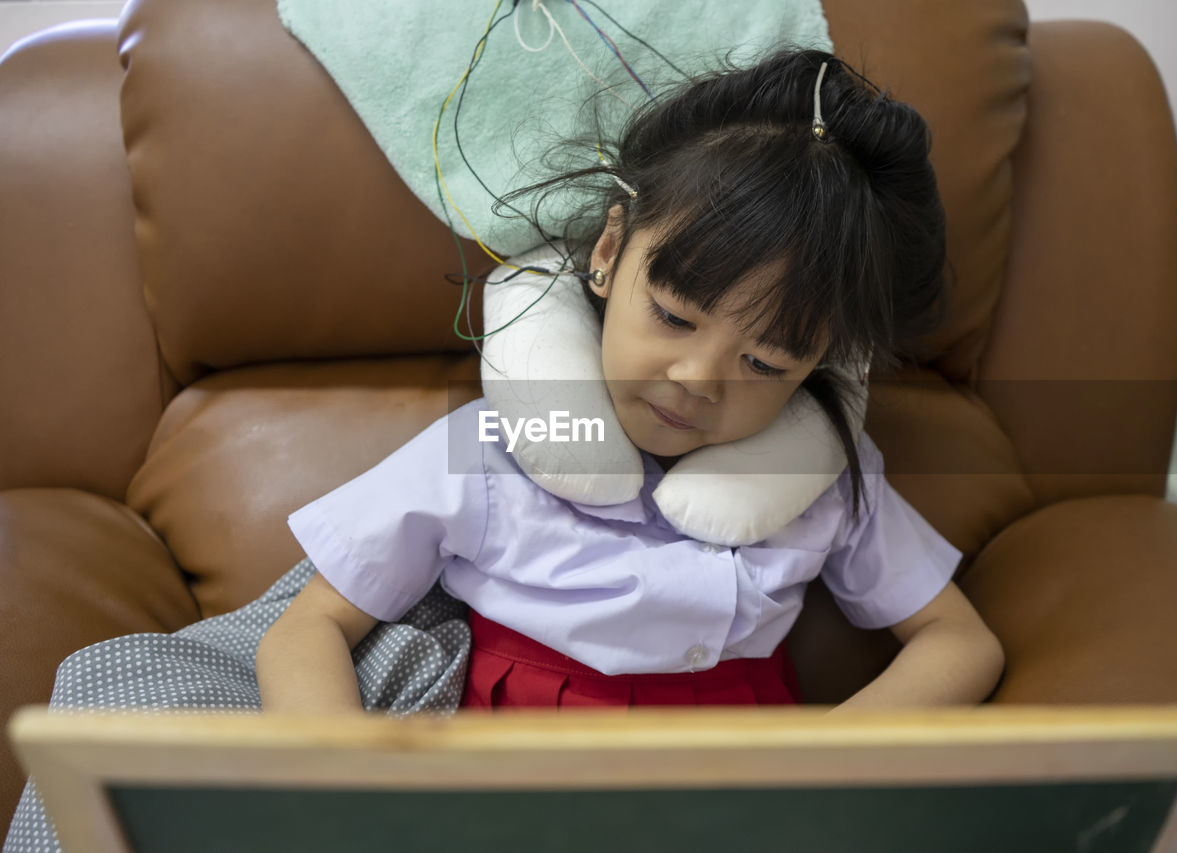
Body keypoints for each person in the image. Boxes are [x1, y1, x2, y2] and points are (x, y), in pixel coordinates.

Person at [256, 47, 1005, 712]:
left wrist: (824, 770)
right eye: (676, 316)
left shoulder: (825, 482)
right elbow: (305, 629)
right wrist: (354, 797)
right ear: (609, 251)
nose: (696, 379)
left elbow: (961, 642)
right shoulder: (487, 455)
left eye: (766, 362)